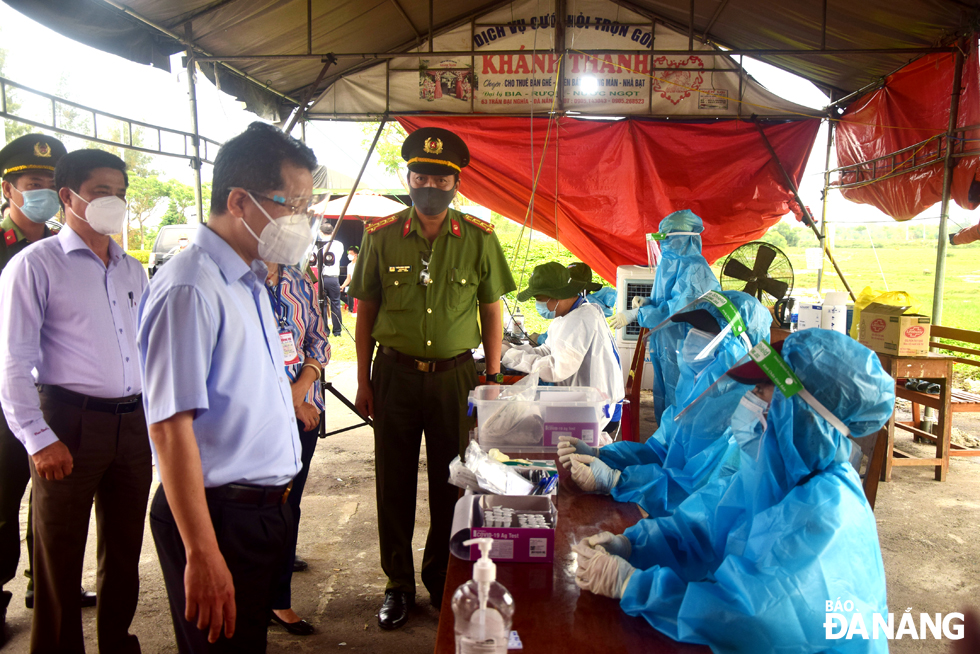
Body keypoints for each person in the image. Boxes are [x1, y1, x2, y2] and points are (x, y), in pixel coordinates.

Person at [573, 330, 895, 653]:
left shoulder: (831, 514)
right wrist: (631, 546)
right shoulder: (769, 475)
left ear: (799, 412)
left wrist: (634, 585)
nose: (748, 400)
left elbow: (753, 620)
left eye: (761, 389)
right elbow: (701, 529)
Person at [138, 122, 317, 652]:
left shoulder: (249, 277)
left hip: (259, 513)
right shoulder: (191, 288)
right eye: (294, 204)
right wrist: (202, 551)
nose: (302, 220)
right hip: (218, 517)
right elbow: (170, 427)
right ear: (240, 201)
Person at [349, 126, 515, 630]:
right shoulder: (380, 237)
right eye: (420, 176)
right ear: (409, 177)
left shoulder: (479, 239)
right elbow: (364, 311)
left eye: (441, 180)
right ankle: (397, 584)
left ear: (455, 184)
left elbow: (492, 308)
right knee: (392, 482)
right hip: (394, 374)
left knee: (452, 481)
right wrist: (362, 379)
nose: (430, 186)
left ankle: (441, 576)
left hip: (455, 377)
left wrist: (491, 372)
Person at [0, 148, 151, 653]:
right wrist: (39, 439)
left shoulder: (133, 270)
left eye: (120, 193)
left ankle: (117, 641)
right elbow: (14, 362)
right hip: (68, 422)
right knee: (57, 555)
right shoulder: (34, 266)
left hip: (132, 426)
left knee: (125, 550)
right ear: (68, 198)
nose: (113, 202)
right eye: (100, 192)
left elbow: (145, 350)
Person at [561, 290, 772, 517]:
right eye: (694, 328)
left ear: (740, 342)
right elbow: (658, 452)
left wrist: (618, 481)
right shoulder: (696, 392)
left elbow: (701, 494)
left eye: (707, 330)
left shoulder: (749, 414)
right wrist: (604, 456)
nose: (693, 336)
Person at [0, 135, 81, 637]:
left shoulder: (63, 245)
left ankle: (44, 582)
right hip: (7, 395)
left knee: (52, 497)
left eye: (52, 185)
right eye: (33, 185)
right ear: (9, 189)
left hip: (57, 393)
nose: (44, 193)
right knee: (3, 499)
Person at [264, 260, 330, 636]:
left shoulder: (297, 279)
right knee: (256, 510)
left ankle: (278, 598)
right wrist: (287, 401)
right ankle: (256, 596)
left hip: (304, 411)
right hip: (258, 418)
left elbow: (318, 341)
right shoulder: (237, 278)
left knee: (289, 505)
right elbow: (243, 356)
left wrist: (301, 389)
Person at [612, 210, 720, 423]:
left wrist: (637, 313)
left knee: (684, 399)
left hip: (687, 344)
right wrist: (647, 303)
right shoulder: (668, 263)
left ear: (683, 238)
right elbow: (664, 300)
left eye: (667, 238)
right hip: (666, 341)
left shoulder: (696, 268)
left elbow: (679, 309)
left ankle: (679, 447)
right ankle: (665, 443)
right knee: (664, 397)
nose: (663, 244)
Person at [502, 261, 625, 436]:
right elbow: (547, 350)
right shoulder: (565, 316)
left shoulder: (581, 319)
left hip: (595, 410)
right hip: (581, 402)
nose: (538, 305)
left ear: (556, 296)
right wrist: (513, 348)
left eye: (539, 299)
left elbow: (556, 369)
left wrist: (510, 355)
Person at [533, 261, 616, 346]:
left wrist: (539, 339)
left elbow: (564, 347)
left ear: (581, 289)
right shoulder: (571, 309)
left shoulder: (583, 314)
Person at [319, 222, 344, 337]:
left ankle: (325, 331)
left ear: (321, 232)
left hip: (322, 278)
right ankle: (337, 331)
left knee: (322, 304)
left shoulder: (318, 244)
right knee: (336, 303)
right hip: (333, 277)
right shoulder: (339, 244)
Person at [339, 245, 358, 315]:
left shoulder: (359, 264)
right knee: (338, 292)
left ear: (355, 255)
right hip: (352, 284)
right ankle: (351, 305)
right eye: (348, 254)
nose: (349, 255)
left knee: (351, 291)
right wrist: (342, 286)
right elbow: (348, 278)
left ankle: (351, 309)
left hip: (358, 284)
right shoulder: (349, 265)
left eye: (350, 254)